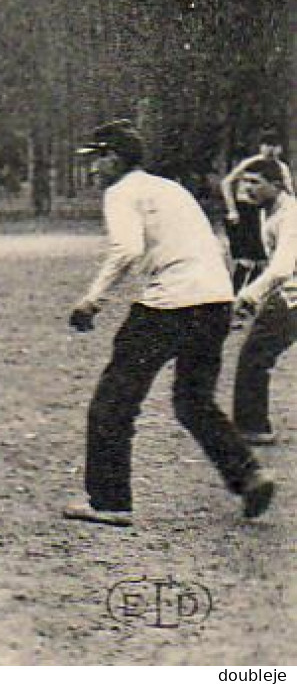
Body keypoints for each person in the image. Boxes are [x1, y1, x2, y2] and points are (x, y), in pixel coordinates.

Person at [62, 120, 275, 527]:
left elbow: (126, 249)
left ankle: (109, 502)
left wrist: (92, 301)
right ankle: (248, 474)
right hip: (214, 299)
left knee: (114, 400)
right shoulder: (170, 188)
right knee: (193, 401)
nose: (92, 170)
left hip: (168, 303)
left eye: (97, 159)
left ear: (115, 159)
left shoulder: (122, 192)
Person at [231, 157, 295, 446]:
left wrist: (249, 294)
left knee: (255, 354)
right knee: (256, 353)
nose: (247, 188)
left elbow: (282, 268)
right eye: (245, 181)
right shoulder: (267, 211)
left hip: (293, 296)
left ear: (277, 185)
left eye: (256, 182)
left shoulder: (289, 215)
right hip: (287, 294)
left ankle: (253, 427)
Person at [222, 130, 292, 291]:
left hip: (267, 213)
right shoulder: (251, 164)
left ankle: (253, 293)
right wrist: (232, 209)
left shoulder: (282, 168)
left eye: (275, 146)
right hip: (246, 211)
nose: (270, 150)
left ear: (280, 149)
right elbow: (226, 182)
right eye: (267, 145)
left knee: (263, 258)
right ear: (261, 147)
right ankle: (235, 292)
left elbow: (288, 191)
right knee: (245, 258)